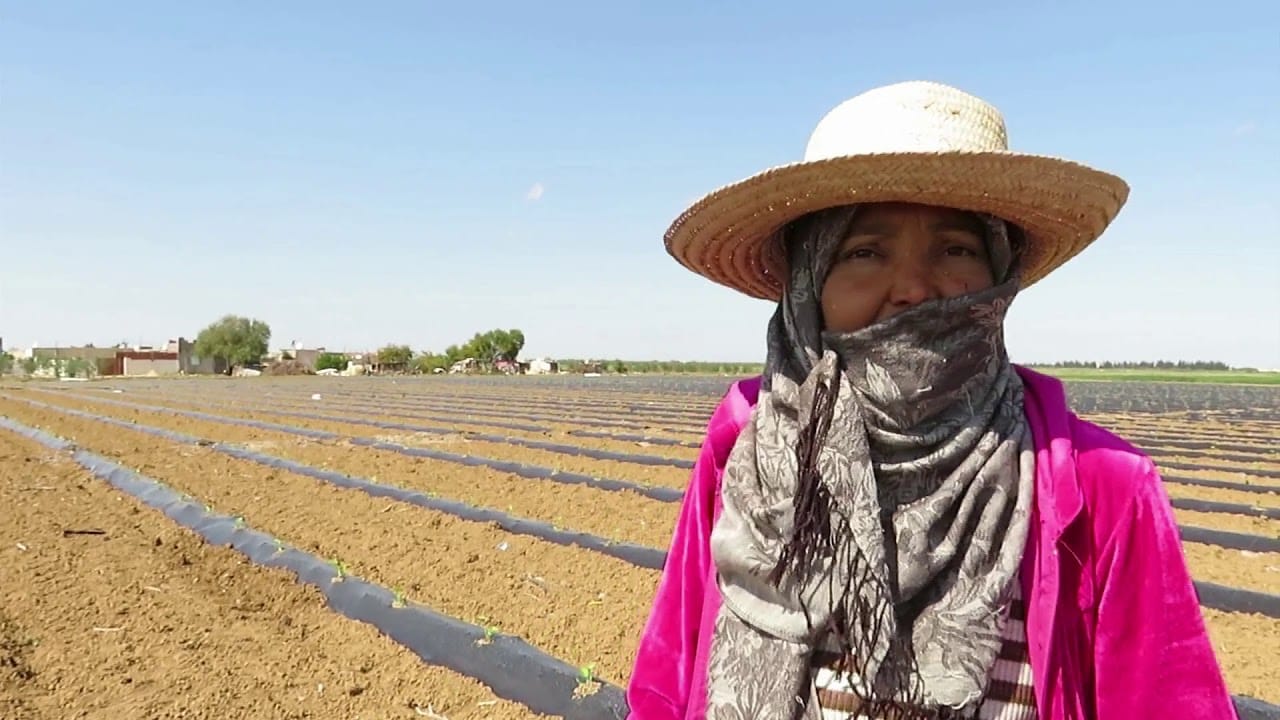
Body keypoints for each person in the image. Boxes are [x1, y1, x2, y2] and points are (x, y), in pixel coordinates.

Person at [625, 81, 1236, 720]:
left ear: (1001, 274)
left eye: (955, 249)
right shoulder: (747, 444)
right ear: (808, 282)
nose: (914, 288)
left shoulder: (1102, 487)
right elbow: (665, 689)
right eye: (864, 251)